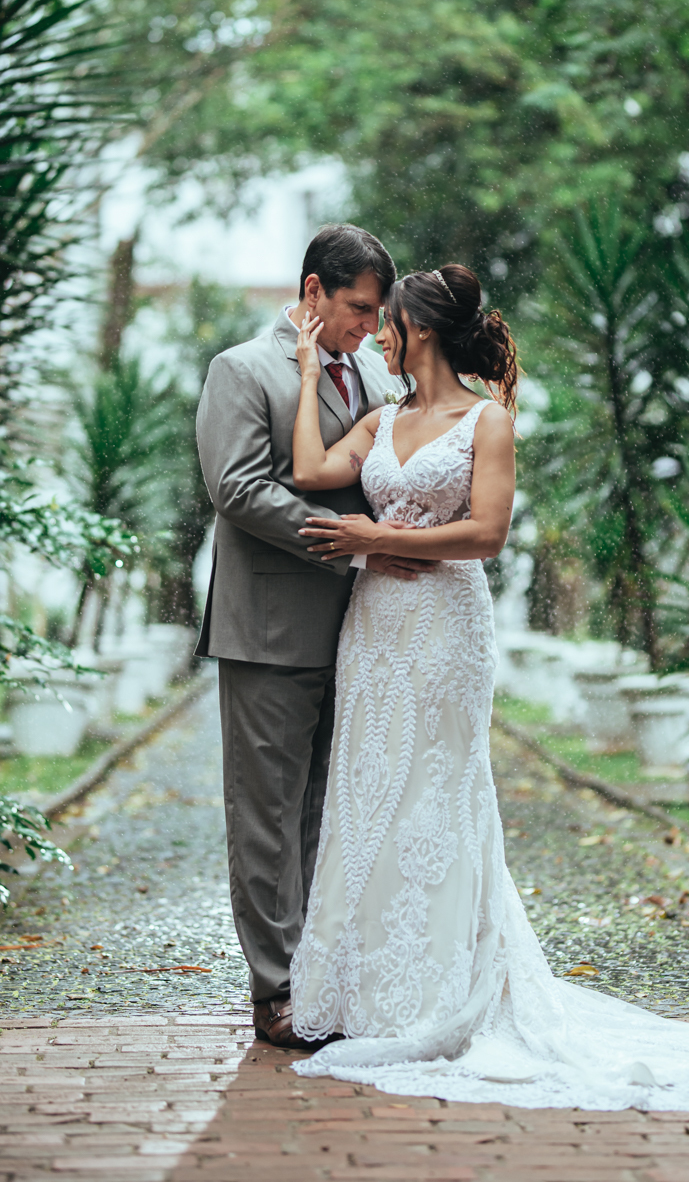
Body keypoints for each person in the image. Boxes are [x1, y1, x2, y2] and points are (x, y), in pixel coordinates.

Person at [286, 262, 689, 1111]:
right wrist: (310, 375)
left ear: (420, 328)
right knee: (368, 790)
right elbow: (310, 471)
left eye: (390, 321)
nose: (378, 331)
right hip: (374, 628)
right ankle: (366, 994)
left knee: (438, 795)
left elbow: (485, 535)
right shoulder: (381, 419)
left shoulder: (487, 421)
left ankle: (440, 993)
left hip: (446, 631)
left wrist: (380, 538)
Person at [195, 224, 434, 1049]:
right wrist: (344, 538)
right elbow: (236, 488)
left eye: (376, 316)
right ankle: (276, 991)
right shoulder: (241, 369)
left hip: (362, 627)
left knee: (328, 809)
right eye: (355, 311)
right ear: (311, 294)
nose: (368, 331)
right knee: (265, 812)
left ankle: (324, 978)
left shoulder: (371, 370)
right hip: (267, 626)